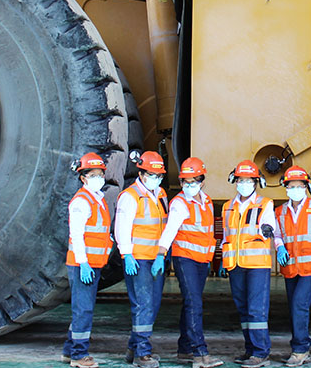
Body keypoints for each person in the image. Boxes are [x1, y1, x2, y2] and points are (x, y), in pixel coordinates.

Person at [154, 157, 223, 368]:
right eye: (185, 181)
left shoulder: (207, 201)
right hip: (185, 259)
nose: (189, 185)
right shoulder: (179, 204)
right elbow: (170, 230)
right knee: (194, 303)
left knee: (190, 303)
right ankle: (199, 353)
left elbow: (207, 232)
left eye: (193, 181)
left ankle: (184, 348)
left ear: (202, 181)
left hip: (202, 260)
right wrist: (161, 253)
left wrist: (216, 257)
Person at [221, 160, 282, 368]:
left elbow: (268, 224)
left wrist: (266, 229)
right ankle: (250, 349)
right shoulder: (228, 207)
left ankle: (261, 352)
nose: (244, 183)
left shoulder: (265, 204)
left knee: (257, 309)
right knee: (243, 308)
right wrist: (222, 259)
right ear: (235, 180)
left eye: (248, 180)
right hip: (235, 264)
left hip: (256, 265)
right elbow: (226, 236)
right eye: (241, 180)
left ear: (256, 182)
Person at [116, 151, 169, 368]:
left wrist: (161, 255)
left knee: (152, 305)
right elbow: (121, 228)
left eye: (158, 175)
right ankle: (142, 354)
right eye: (151, 174)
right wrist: (126, 254)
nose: (155, 178)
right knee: (144, 305)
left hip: (155, 259)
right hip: (138, 260)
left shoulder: (161, 194)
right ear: (141, 173)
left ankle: (134, 347)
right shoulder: (130, 196)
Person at [276, 166, 311, 367]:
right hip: (290, 268)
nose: (296, 189)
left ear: (306, 186)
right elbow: (276, 234)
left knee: (299, 304)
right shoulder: (280, 211)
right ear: (286, 187)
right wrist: (279, 246)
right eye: (292, 186)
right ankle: (300, 346)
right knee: (294, 307)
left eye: (300, 185)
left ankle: (300, 349)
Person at [62, 153, 113, 368]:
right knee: (83, 309)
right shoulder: (81, 202)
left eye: (100, 174)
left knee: (84, 307)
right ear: (83, 178)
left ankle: (68, 350)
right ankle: (78, 355)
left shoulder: (97, 199)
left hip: (93, 263)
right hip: (83, 264)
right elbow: (77, 234)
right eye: (93, 174)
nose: (98, 178)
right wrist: (83, 263)